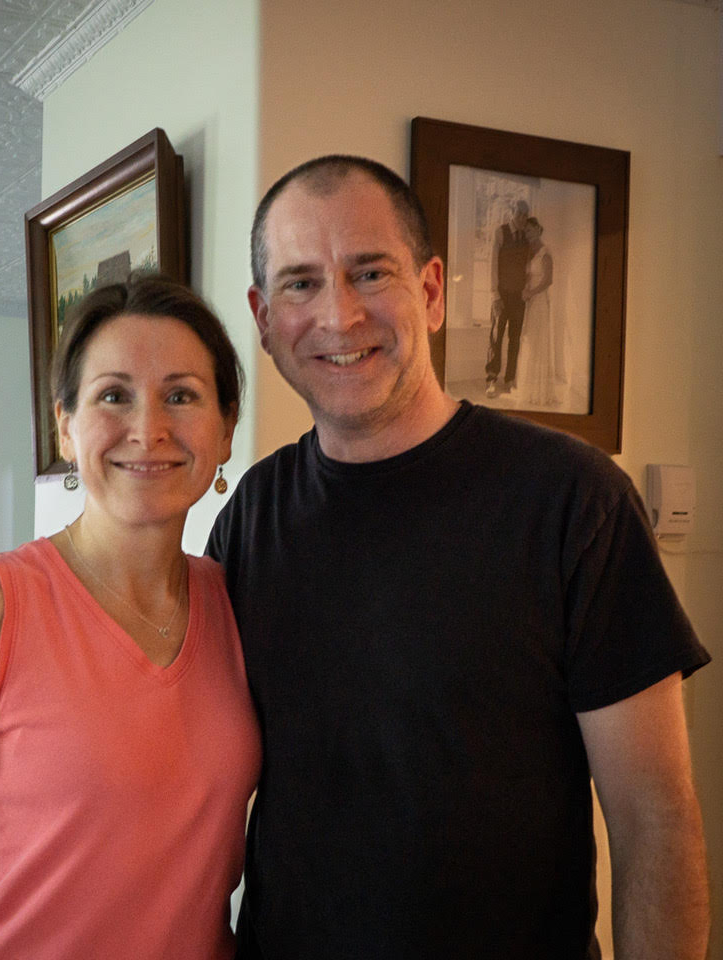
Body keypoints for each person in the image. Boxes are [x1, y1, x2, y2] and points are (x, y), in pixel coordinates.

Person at [207, 156, 710, 959]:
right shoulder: (250, 518)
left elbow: (654, 817)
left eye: (370, 273)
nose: (338, 315)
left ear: (433, 291)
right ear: (264, 319)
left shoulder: (573, 501)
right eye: (301, 284)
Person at [0, 276, 261, 960]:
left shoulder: (240, 605)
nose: (149, 429)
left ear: (225, 429)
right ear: (65, 426)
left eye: (181, 395)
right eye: (113, 395)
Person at [485, 197, 530, 397]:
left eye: (525, 215)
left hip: (519, 297)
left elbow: (528, 266)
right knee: (496, 337)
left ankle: (510, 378)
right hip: (501, 295)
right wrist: (495, 295)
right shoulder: (501, 232)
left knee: (515, 339)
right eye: (519, 214)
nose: (522, 218)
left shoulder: (526, 236)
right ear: (512, 213)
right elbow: (493, 264)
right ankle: (491, 379)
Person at [516, 215, 561, 406]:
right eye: (525, 231)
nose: (527, 234)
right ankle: (528, 387)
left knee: (538, 341)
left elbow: (548, 280)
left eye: (530, 230)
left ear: (538, 230)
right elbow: (529, 276)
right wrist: (525, 289)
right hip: (531, 300)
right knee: (530, 341)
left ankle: (540, 391)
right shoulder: (531, 251)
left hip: (540, 300)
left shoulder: (545, 253)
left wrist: (531, 292)